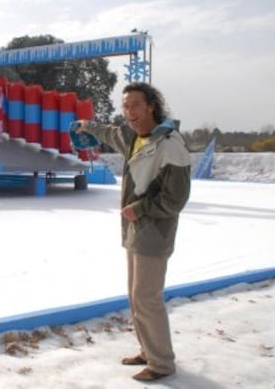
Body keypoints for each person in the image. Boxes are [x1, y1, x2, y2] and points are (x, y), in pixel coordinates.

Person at [75, 82, 191, 382]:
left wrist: (139, 209)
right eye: (125, 106)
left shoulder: (170, 144)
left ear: (152, 105)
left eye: (136, 105)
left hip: (154, 230)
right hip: (135, 230)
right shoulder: (133, 137)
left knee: (147, 297)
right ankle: (148, 349)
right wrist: (88, 126)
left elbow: (175, 199)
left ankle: (162, 363)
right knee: (135, 295)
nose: (129, 112)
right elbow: (109, 132)